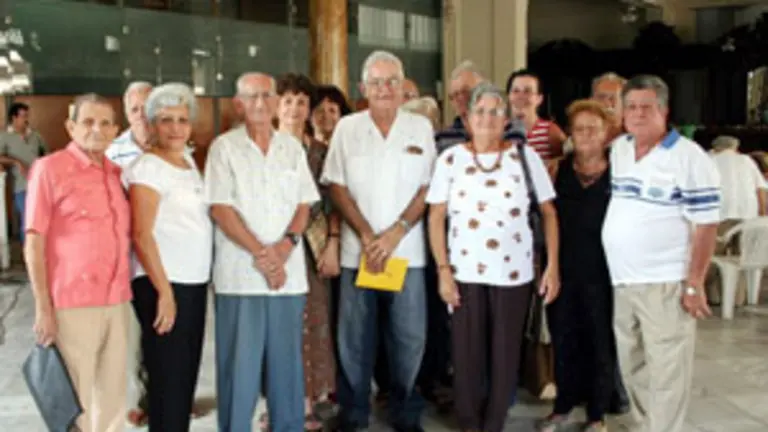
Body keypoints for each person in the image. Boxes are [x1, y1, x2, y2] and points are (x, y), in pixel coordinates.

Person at [427, 82, 559, 432]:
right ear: (468, 119)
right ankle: (470, 423)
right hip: (463, 273)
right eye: (480, 111)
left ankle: (494, 422)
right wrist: (443, 270)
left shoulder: (524, 157)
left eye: (495, 111)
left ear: (506, 120)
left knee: (505, 355)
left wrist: (553, 266)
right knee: (466, 355)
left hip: (514, 274)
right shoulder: (450, 159)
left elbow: (548, 212)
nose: (487, 118)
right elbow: (436, 217)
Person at [321, 50, 436, 432]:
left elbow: (428, 187)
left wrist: (396, 232)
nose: (385, 89)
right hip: (361, 255)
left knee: (409, 339)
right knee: (354, 342)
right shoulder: (348, 128)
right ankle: (354, 413)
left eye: (391, 81)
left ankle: (405, 412)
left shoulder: (419, 127)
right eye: (376, 82)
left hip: (406, 254)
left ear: (403, 87)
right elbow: (335, 185)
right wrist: (369, 235)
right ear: (362, 88)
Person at [602, 75, 721, 432]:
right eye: (631, 107)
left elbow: (706, 225)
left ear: (664, 111)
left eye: (647, 107)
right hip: (624, 281)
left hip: (665, 283)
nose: (638, 114)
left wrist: (694, 282)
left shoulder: (689, 157)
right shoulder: (621, 148)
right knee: (632, 365)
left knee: (668, 370)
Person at [205, 72, 320, 432]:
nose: (259, 103)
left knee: (287, 369)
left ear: (275, 101)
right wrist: (263, 255)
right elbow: (220, 209)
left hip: (288, 277)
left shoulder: (291, 147)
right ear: (238, 104)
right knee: (240, 371)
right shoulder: (224, 147)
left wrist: (284, 248)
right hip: (241, 278)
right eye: (251, 96)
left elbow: (304, 203)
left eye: (266, 95)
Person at [25, 94, 130, 432]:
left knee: (113, 399)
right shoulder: (50, 169)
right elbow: (34, 240)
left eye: (104, 123)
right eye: (87, 122)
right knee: (76, 404)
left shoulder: (116, 175)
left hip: (117, 301)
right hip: (71, 304)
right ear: (71, 127)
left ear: (116, 130)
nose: (96, 130)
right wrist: (43, 307)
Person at [124, 83, 212, 432]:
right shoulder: (147, 167)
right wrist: (165, 293)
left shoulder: (187, 161)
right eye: (165, 120)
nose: (175, 127)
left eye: (182, 119)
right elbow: (142, 235)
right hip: (164, 285)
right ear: (151, 124)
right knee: (166, 384)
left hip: (192, 283)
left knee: (183, 382)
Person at [539, 100, 614, 432]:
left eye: (593, 128)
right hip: (564, 269)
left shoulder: (620, 171)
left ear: (606, 133)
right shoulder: (556, 170)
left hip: (606, 270)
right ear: (570, 133)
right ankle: (563, 405)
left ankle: (597, 414)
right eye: (579, 128)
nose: (585, 135)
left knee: (601, 340)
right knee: (564, 337)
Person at [273, 72, 339, 431]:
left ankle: (310, 401)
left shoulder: (320, 152)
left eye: (301, 102)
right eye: (287, 101)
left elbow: (333, 204)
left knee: (313, 320)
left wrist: (332, 243)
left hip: (312, 249)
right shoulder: (262, 148)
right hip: (272, 247)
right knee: (277, 324)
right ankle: (277, 401)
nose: (294, 108)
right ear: (275, 106)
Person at [0, 102, 48, 245]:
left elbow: (45, 154)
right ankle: (28, 254)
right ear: (14, 118)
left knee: (41, 218)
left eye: (27, 116)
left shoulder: (35, 135)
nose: (26, 119)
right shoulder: (5, 136)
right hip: (21, 185)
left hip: (40, 183)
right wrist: (16, 162)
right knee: (27, 219)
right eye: (23, 116)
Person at [506, 69, 566, 160]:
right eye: (515, 91)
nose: (520, 97)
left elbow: (568, 160)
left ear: (539, 99)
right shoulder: (499, 131)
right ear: (509, 96)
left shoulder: (550, 132)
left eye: (527, 91)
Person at [108, 81, 153, 168]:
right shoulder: (112, 151)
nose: (140, 114)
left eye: (146, 108)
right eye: (134, 110)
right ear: (127, 115)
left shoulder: (171, 144)